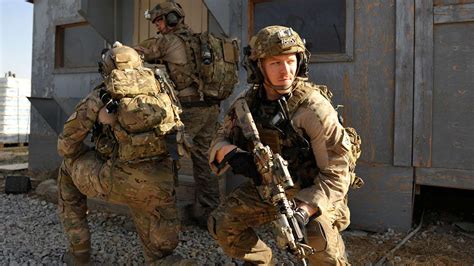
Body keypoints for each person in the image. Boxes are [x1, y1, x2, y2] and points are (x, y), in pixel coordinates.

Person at [207, 25, 360, 265]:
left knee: (317, 238)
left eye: (290, 61)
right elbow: (218, 138)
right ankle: (262, 262)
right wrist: (233, 154)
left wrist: (303, 211)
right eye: (275, 63)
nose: (286, 71)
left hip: (314, 192)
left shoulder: (313, 108)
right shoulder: (248, 102)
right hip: (269, 190)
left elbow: (338, 173)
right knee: (223, 223)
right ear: (259, 67)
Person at [57, 43, 191, 265]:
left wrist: (90, 152)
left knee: (66, 171)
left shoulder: (101, 94)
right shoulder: (163, 90)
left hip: (117, 181)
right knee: (159, 248)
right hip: (162, 184)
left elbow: (66, 146)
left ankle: (78, 254)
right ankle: (163, 259)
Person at [133, 1, 221, 227]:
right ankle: (209, 213)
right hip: (210, 108)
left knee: (166, 156)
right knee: (203, 159)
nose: (157, 26)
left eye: (159, 20)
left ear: (172, 19)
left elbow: (135, 54)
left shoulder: (168, 41)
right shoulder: (199, 40)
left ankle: (163, 215)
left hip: (189, 110)